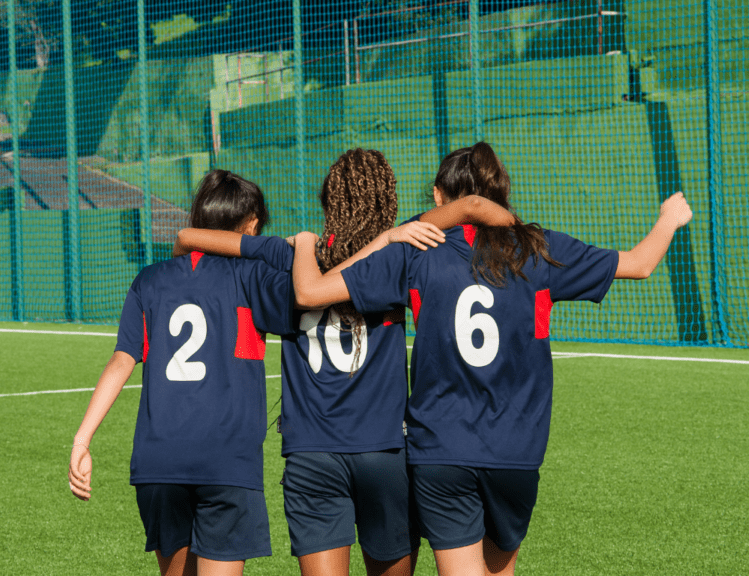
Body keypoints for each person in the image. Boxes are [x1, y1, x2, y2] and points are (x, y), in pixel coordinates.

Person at [290, 142, 694, 576]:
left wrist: (381, 236)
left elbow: (313, 293)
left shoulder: (416, 248)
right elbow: (640, 263)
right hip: (515, 450)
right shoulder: (537, 248)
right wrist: (669, 219)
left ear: (440, 196)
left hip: (438, 450)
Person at [173, 148, 516, 576]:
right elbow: (470, 206)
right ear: (386, 202)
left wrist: (185, 240)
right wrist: (513, 230)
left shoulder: (292, 255)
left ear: (327, 200)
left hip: (310, 455)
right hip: (384, 451)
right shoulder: (400, 251)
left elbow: (202, 240)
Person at [67, 170, 296, 576]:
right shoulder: (252, 277)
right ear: (252, 226)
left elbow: (122, 360)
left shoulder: (149, 280)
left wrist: (82, 439)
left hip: (160, 462)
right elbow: (303, 286)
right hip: (227, 461)